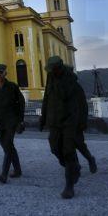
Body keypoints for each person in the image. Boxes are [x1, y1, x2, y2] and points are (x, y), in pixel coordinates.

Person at [40, 56, 82, 199]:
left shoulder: (70, 78)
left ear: (59, 68)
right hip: (54, 121)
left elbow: (64, 95)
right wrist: (43, 117)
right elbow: (46, 96)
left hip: (69, 121)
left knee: (68, 151)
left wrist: (57, 82)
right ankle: (74, 167)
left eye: (53, 70)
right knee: (55, 148)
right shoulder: (51, 76)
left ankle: (69, 186)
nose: (50, 73)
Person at [0, 64, 25, 184]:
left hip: (11, 121)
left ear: (5, 73)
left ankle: (4, 174)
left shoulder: (12, 86)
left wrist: (20, 119)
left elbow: (21, 102)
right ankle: (18, 170)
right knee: (7, 146)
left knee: (8, 145)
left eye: (1, 72)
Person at [64, 65, 97, 173]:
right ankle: (75, 165)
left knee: (79, 144)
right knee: (68, 146)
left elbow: (83, 106)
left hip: (76, 122)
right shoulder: (62, 86)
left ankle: (90, 159)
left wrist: (82, 121)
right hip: (65, 121)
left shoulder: (76, 87)